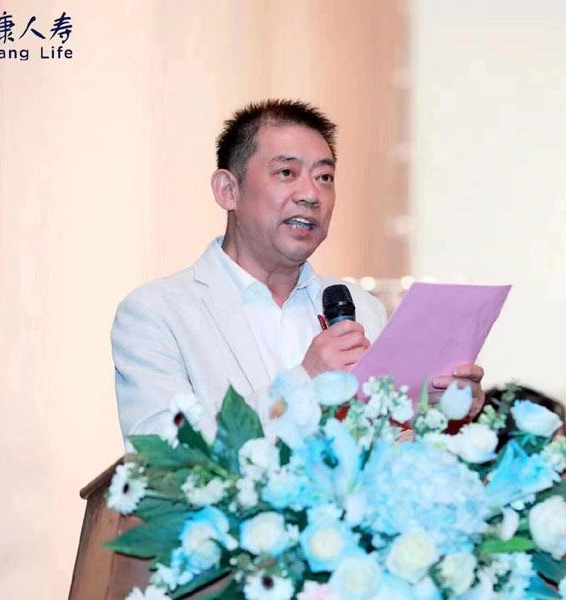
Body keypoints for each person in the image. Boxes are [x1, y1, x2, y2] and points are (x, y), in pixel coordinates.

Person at [111, 99, 485, 444]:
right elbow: (162, 454)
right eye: (287, 172)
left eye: (324, 178)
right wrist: (306, 384)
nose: (311, 194)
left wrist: (439, 413)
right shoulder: (157, 312)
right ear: (228, 190)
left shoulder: (362, 308)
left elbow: (385, 447)